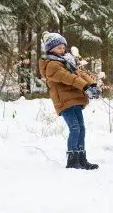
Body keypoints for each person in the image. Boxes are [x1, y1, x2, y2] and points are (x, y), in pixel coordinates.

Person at [39, 32, 101, 170]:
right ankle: (72, 161)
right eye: (58, 47)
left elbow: (80, 74)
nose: (62, 49)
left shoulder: (67, 62)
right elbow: (69, 78)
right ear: (50, 49)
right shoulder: (52, 65)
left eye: (63, 47)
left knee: (81, 129)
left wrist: (92, 85)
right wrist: (84, 87)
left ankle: (81, 159)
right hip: (64, 102)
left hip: (75, 100)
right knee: (75, 129)